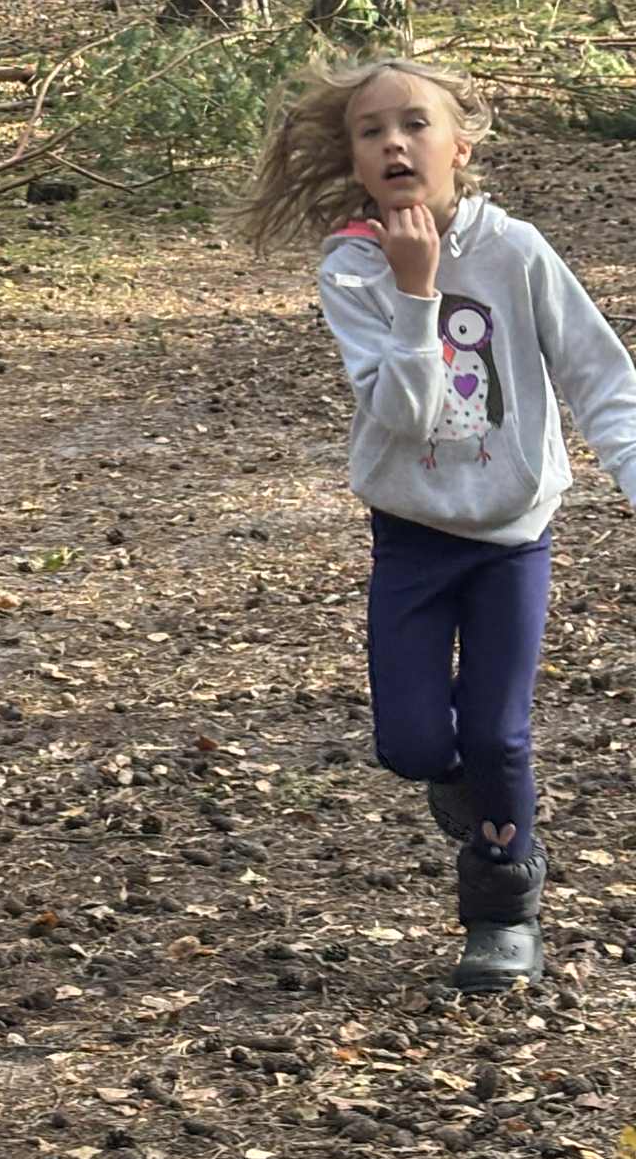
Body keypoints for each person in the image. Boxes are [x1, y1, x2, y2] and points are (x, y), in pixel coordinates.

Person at [241, 53, 636, 992]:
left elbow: (599, 375)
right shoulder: (352, 267)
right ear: (355, 157)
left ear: (460, 145)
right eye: (371, 130)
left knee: (498, 735)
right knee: (413, 746)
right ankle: (476, 793)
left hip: (511, 537)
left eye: (415, 123)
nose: (394, 143)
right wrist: (416, 292)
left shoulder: (517, 251)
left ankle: (504, 904)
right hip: (413, 538)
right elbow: (405, 414)